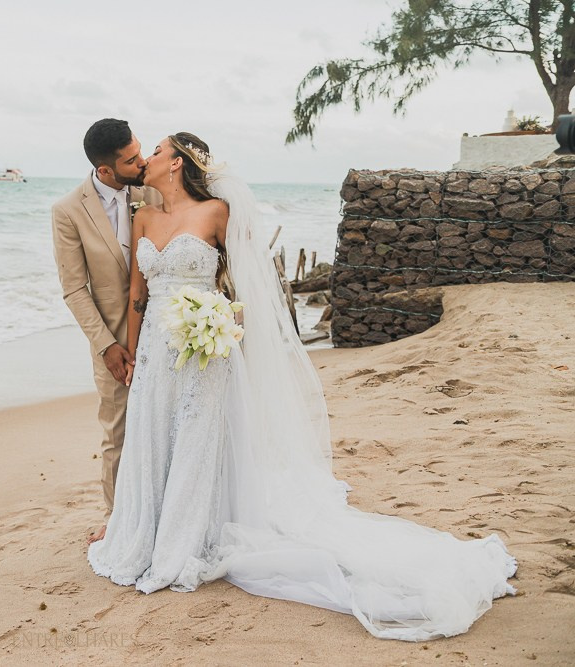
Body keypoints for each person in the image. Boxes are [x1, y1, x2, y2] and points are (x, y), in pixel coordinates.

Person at [87, 132, 517, 641]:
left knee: (197, 442)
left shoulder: (217, 213)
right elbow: (137, 296)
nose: (148, 159)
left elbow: (249, 286)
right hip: (155, 356)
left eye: (157, 151)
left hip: (204, 351)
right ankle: (149, 532)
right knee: (155, 438)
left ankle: (186, 541)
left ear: (178, 163)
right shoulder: (143, 217)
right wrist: (132, 353)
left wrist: (221, 323)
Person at [51, 119, 162, 544]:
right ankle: (117, 518)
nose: (143, 162)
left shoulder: (151, 189)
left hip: (166, 328)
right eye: (132, 160)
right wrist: (106, 346)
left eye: (141, 151)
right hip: (114, 341)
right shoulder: (68, 211)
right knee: (118, 431)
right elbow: (74, 289)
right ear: (105, 170)